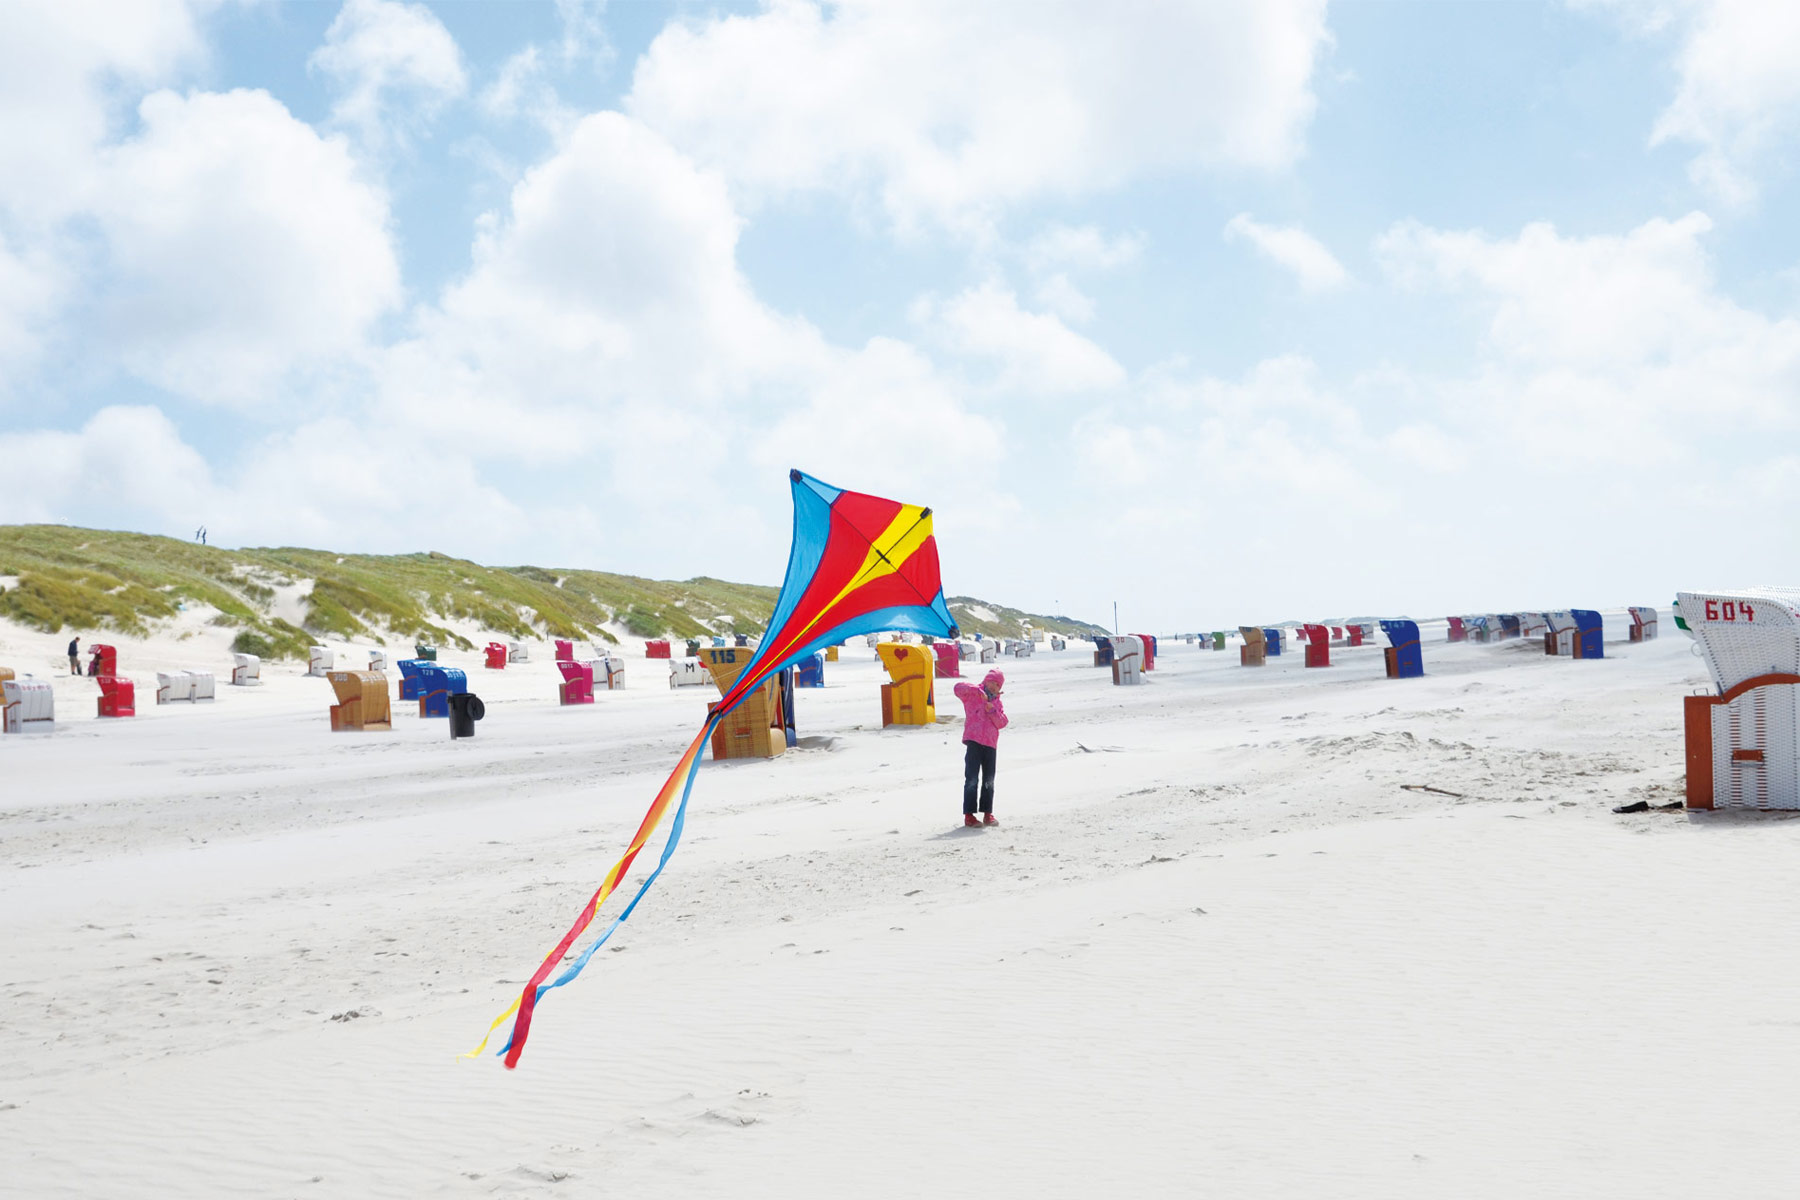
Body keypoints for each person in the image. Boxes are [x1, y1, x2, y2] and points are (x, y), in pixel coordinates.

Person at [953, 668, 1008, 827]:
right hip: (974, 741)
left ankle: (987, 814)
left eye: (997, 685)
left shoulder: (997, 702)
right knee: (971, 778)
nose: (994, 687)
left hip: (990, 744)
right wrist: (975, 690)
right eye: (992, 682)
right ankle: (969, 815)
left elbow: (1002, 722)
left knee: (989, 780)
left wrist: (992, 711)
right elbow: (957, 688)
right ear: (986, 680)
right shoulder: (973, 695)